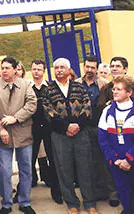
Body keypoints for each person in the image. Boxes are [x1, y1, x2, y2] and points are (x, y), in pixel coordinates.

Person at [42, 58, 98, 214]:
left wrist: (77, 125)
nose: (59, 70)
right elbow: (49, 113)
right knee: (64, 170)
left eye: (62, 67)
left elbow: (87, 108)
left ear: (69, 70)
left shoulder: (79, 87)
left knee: (85, 168)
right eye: (56, 68)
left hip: (81, 133)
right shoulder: (48, 90)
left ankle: (90, 203)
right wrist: (66, 127)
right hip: (60, 135)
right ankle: (72, 204)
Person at [98, 75, 134, 214]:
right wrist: (115, 159)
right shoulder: (107, 112)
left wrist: (129, 159)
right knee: (127, 200)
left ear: (129, 92)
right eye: (113, 89)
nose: (114, 92)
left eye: (119, 89)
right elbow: (102, 139)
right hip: (117, 165)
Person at [0, 57, 37, 214]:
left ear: (16, 69)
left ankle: (24, 201)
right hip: (3, 135)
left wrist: (15, 118)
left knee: (26, 169)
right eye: (2, 68)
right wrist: (0, 129)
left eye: (8, 68)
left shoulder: (25, 85)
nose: (4, 70)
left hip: (23, 132)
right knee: (4, 171)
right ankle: (7, 203)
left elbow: (31, 104)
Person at [75, 56, 118, 207]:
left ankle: (112, 193)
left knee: (105, 161)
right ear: (84, 67)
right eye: (87, 67)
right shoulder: (76, 85)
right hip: (82, 129)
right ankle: (94, 193)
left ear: (96, 69)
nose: (90, 70)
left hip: (100, 128)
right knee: (87, 163)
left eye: (93, 68)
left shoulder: (104, 85)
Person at [29, 59, 62, 204]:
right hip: (32, 128)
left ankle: (57, 192)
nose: (36, 71)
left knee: (53, 161)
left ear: (43, 71)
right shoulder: (26, 87)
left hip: (49, 129)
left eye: (39, 69)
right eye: (34, 69)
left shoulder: (50, 87)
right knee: (28, 162)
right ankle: (23, 195)